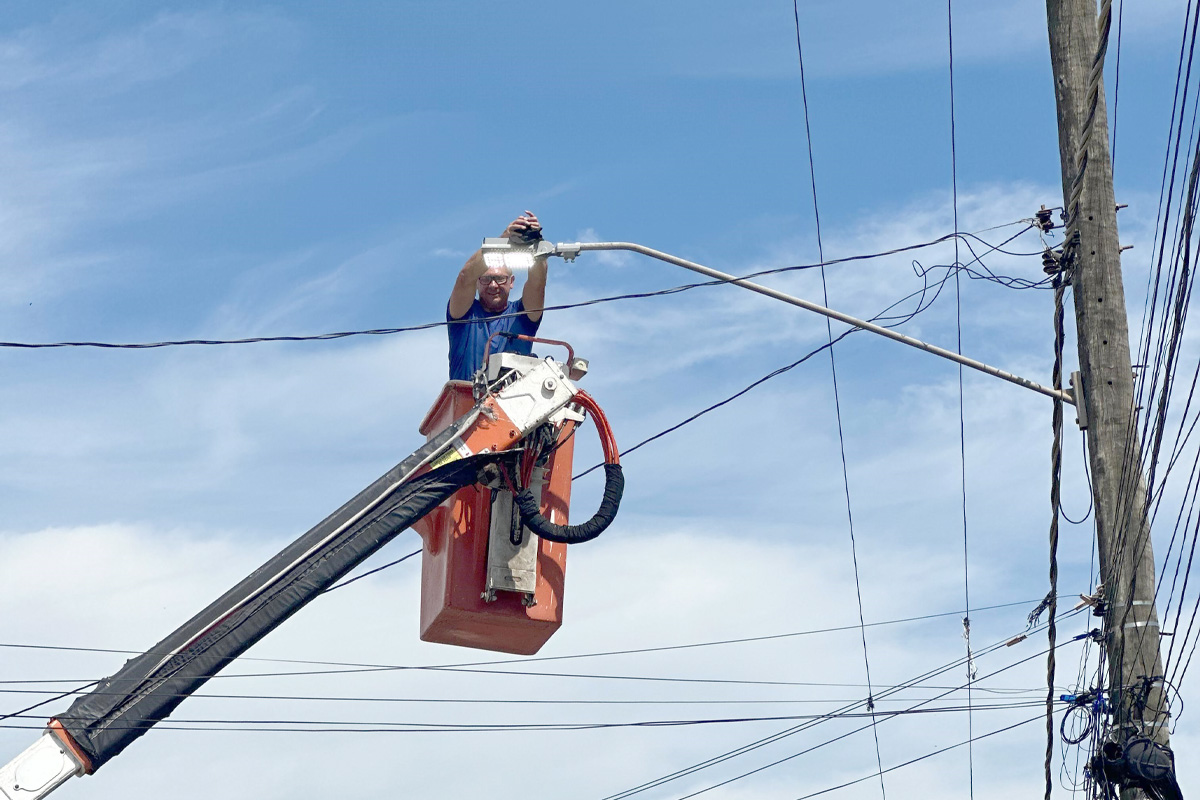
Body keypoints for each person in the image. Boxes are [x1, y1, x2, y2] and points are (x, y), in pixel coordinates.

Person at [446, 211, 548, 380]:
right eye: (486, 279)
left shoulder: (523, 314)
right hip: (467, 402)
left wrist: (537, 244)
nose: (493, 285)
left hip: (512, 402)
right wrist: (503, 239)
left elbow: (537, 284)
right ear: (477, 282)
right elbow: (464, 278)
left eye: (500, 279)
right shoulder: (464, 313)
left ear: (511, 281)